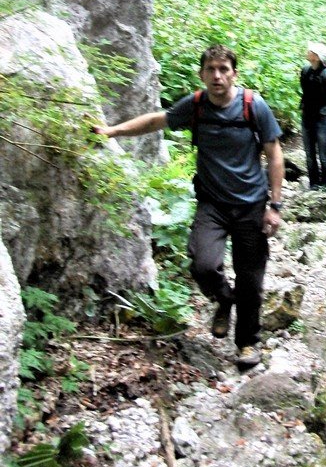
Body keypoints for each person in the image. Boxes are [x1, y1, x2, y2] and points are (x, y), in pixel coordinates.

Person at [94, 44, 284, 370]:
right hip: (212, 204)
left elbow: (275, 154)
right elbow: (156, 121)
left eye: (224, 69)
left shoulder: (254, 106)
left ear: (234, 73)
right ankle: (225, 299)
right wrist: (112, 131)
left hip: (252, 205)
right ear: (202, 74)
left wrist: (275, 205)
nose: (217, 76)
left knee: (251, 279)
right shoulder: (195, 106)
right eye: (211, 69)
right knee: (203, 266)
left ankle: (248, 343)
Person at [299, 41, 326, 190]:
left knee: (323, 156)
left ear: (317, 57)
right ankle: (313, 185)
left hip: (322, 119)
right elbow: (305, 91)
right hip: (307, 117)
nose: (308, 52)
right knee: (309, 156)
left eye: (311, 51)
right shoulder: (305, 71)